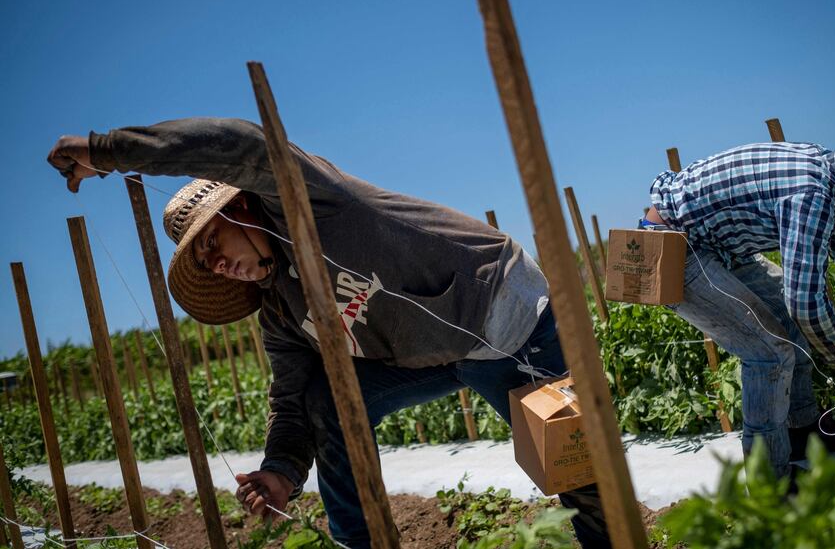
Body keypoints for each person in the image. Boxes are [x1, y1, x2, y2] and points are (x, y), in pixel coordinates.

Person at [47, 117, 610, 548]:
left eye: (213, 241)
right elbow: (290, 399)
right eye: (205, 262)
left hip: (503, 318)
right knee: (328, 400)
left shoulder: (313, 202)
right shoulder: (280, 311)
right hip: (427, 355)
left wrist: (108, 149)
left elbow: (244, 145)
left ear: (243, 206)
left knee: (574, 465)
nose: (217, 263)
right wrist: (281, 470)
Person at [641, 125, 835, 478]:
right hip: (675, 250)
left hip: (717, 245)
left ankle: (800, 431)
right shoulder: (811, 194)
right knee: (768, 353)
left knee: (785, 322)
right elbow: (805, 301)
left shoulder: (830, 178)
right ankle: (769, 480)